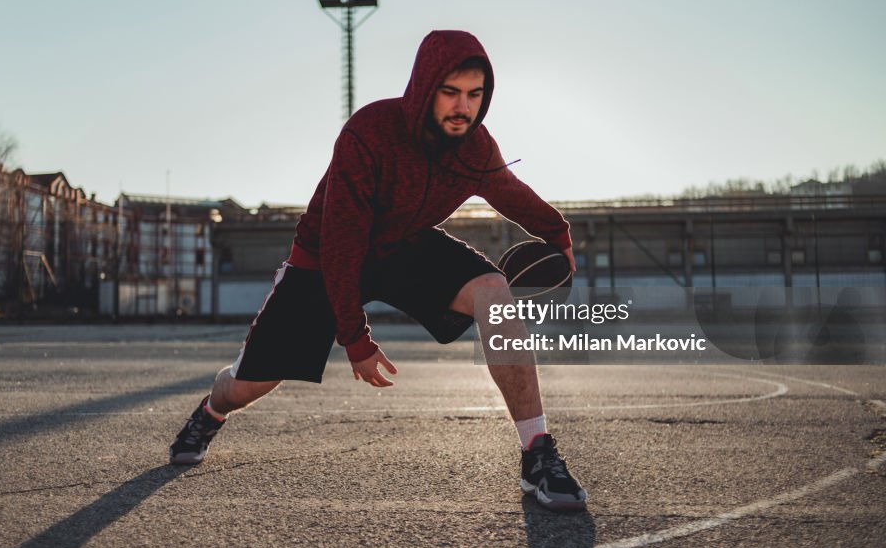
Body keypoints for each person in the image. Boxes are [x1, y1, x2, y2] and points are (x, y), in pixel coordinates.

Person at [169, 30, 587, 511]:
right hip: (326, 255)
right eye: (450, 93)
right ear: (425, 88)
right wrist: (355, 337)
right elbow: (343, 241)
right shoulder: (369, 132)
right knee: (248, 386)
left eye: (475, 95)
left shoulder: (475, 147)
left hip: (404, 246)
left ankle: (537, 453)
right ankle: (210, 411)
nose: (462, 107)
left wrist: (558, 235)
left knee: (494, 288)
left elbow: (509, 192)